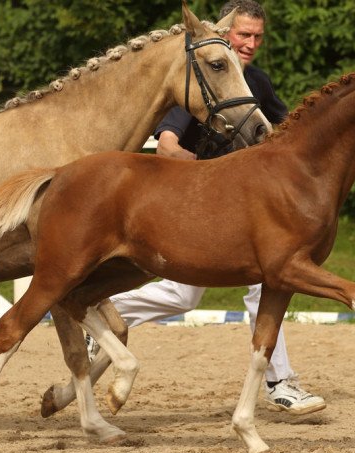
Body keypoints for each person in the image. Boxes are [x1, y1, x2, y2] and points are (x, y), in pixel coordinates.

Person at [90, 0, 326, 416]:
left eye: (257, 36)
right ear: (224, 32)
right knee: (193, 295)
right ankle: (280, 382)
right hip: (198, 207)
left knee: (245, 285)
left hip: (244, 208)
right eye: (243, 35)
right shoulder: (200, 78)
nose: (250, 43)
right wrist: (207, 181)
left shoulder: (257, 83)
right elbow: (167, 145)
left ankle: (279, 382)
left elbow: (286, 136)